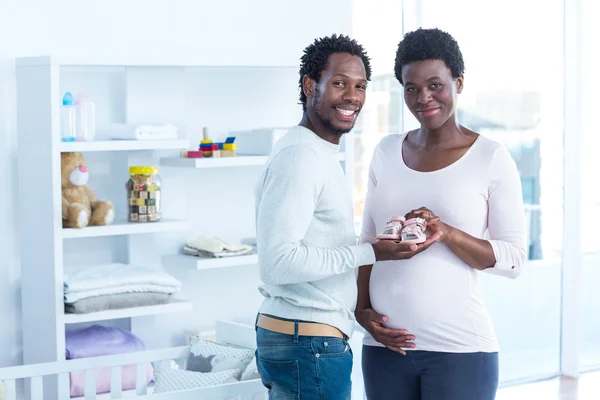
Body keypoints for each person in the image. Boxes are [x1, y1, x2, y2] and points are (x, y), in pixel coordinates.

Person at [253, 33, 441, 399]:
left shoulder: (314, 152)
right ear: (311, 86)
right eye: (339, 84)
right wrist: (371, 252)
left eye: (360, 86)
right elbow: (277, 263)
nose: (353, 97)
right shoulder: (301, 157)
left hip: (296, 337)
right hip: (308, 342)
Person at [355, 28, 527, 400]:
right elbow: (367, 244)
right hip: (384, 346)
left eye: (436, 85)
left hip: (460, 351)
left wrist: (447, 232)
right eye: (411, 88)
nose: (423, 98)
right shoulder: (385, 152)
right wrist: (361, 310)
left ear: (458, 83)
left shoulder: (490, 158)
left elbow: (513, 259)